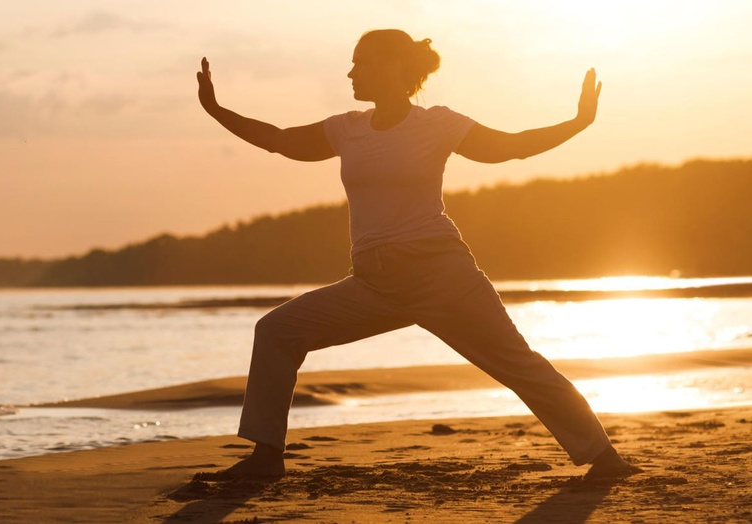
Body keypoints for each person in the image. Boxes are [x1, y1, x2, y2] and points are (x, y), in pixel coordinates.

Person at [196, 29, 640, 480]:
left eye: (361, 62)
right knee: (276, 331)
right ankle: (266, 457)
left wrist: (577, 122)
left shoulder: (437, 124)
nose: (351, 72)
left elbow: (510, 148)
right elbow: (279, 139)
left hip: (442, 275)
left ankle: (604, 459)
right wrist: (216, 111)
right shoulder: (346, 129)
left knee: (518, 364)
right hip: (372, 284)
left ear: (393, 67)